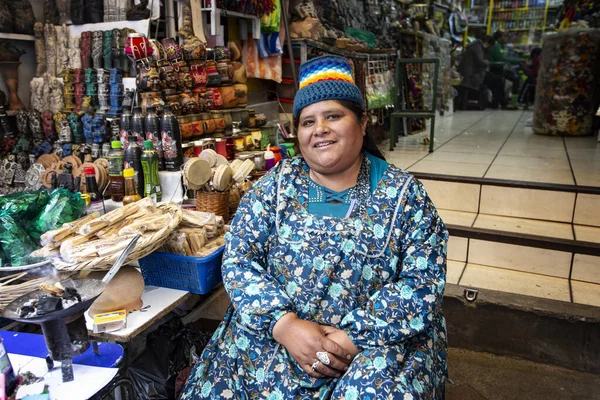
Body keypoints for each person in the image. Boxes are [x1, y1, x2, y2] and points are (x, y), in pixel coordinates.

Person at [180, 55, 449, 399]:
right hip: (278, 335)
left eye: (333, 116)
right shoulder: (275, 188)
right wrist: (285, 326)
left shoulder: (404, 195)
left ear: (363, 122)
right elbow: (239, 258)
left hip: (373, 344)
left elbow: (422, 283)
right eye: (308, 122)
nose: (319, 128)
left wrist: (352, 338)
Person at [488, 31, 523, 105]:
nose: (506, 39)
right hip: (495, 70)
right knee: (515, 79)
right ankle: (512, 101)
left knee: (515, 78)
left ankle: (511, 100)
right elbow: (502, 59)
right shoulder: (496, 46)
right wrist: (518, 61)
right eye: (505, 37)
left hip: (499, 69)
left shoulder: (500, 46)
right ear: (499, 38)